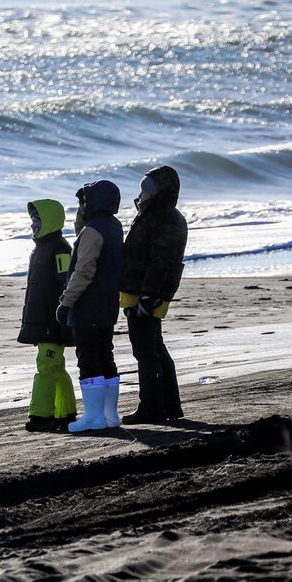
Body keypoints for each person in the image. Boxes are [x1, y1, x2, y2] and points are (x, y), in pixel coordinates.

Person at [119, 165, 188, 424]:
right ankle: (170, 406)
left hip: (147, 295)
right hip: (143, 293)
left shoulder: (165, 218)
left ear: (159, 193)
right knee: (155, 349)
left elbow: (161, 262)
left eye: (145, 191)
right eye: (140, 190)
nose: (140, 196)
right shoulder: (154, 214)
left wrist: (148, 298)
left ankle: (152, 407)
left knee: (146, 352)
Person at [55, 180, 123, 432]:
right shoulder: (113, 226)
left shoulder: (94, 231)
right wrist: (83, 207)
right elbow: (81, 234)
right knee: (105, 354)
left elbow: (83, 271)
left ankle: (93, 417)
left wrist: (66, 303)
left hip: (88, 306)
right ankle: (109, 415)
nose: (82, 204)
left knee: (88, 358)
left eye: (85, 201)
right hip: (107, 304)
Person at [18, 199, 77, 432]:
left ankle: (42, 416)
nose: (33, 224)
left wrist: (63, 317)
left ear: (50, 221)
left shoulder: (60, 248)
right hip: (41, 319)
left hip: (54, 322)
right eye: (32, 220)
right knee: (55, 366)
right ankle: (66, 413)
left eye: (38, 220)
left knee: (46, 365)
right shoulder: (39, 249)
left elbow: (67, 285)